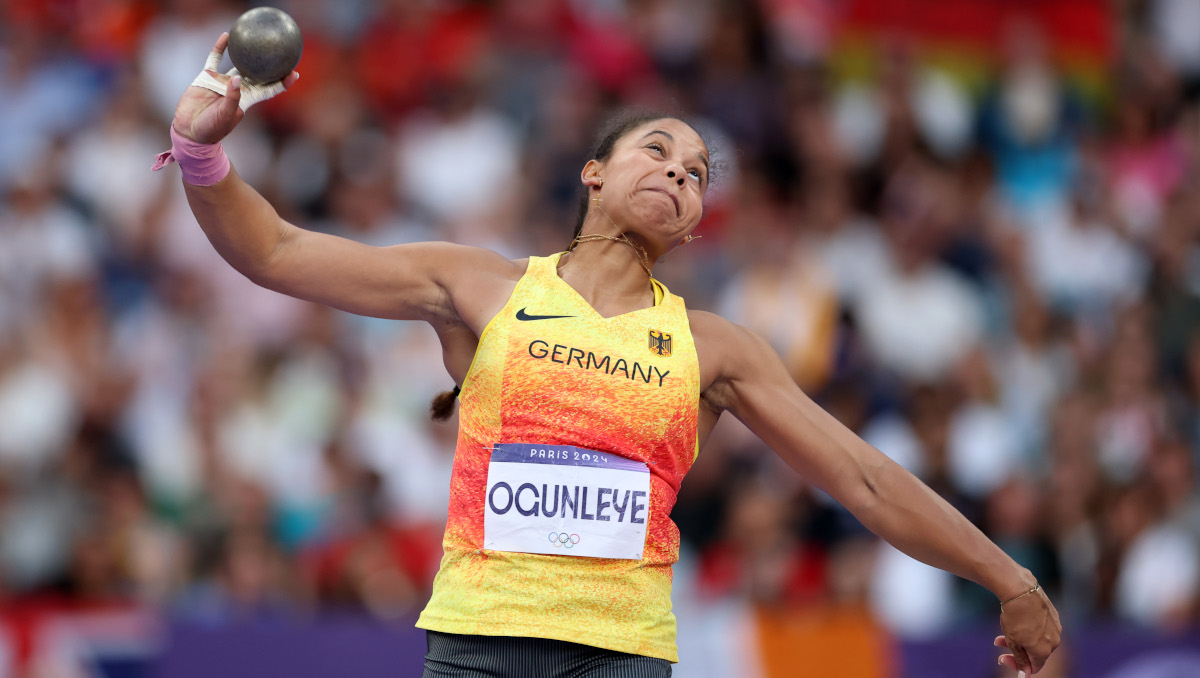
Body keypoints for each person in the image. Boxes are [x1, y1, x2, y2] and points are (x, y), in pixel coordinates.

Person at [156, 34, 1061, 678]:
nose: (677, 171)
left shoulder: (713, 347)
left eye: (697, 172)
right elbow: (274, 254)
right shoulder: (484, 287)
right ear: (594, 172)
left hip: (622, 658)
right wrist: (199, 152)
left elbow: (862, 480)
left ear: (700, 222)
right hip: (475, 646)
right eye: (657, 150)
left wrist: (1009, 578)